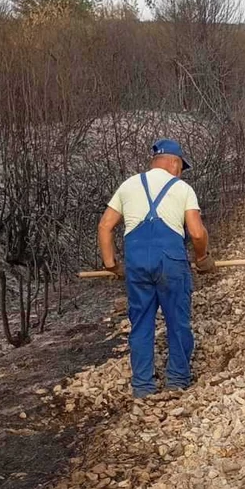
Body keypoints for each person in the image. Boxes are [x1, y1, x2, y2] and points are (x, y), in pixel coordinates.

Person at [97, 138, 215, 399]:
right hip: (170, 263)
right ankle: (177, 380)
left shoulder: (128, 186)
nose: (181, 172)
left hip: (137, 263)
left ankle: (143, 386)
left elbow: (105, 226)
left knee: (141, 325)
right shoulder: (182, 189)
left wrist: (112, 265)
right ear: (174, 163)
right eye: (181, 167)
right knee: (177, 321)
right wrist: (202, 258)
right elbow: (196, 233)